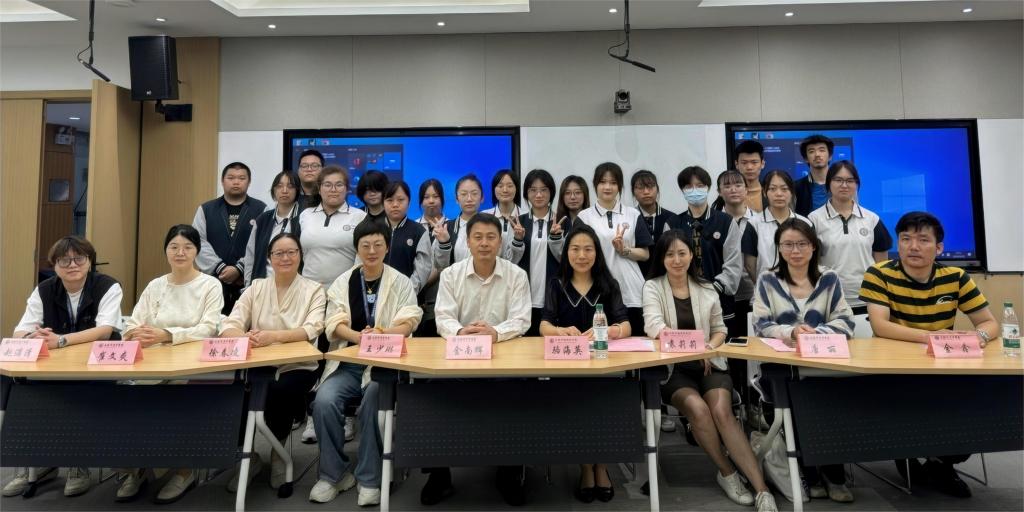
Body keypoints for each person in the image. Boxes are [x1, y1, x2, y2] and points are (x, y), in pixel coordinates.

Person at [861, 211, 999, 498]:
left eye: (923, 240)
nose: (913, 246)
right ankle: (909, 453)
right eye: (905, 239)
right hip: (894, 368)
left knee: (976, 408)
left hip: (943, 367)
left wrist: (978, 337)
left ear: (939, 248)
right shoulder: (879, 274)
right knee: (911, 407)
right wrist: (932, 337)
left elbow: (989, 323)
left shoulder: (955, 277)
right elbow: (880, 326)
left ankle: (940, 462)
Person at [644, 231, 778, 512]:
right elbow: (655, 327)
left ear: (691, 256)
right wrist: (696, 350)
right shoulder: (652, 287)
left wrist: (708, 348)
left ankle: (762, 490)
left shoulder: (706, 287)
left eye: (682, 253)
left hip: (710, 364)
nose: (677, 260)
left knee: (722, 412)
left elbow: (720, 330)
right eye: (670, 254)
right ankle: (727, 473)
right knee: (699, 410)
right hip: (673, 371)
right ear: (662, 259)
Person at [309, 220, 422, 506]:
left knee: (374, 399)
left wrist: (383, 333)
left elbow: (410, 320)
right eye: (365, 245)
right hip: (348, 363)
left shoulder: (400, 281)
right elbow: (333, 322)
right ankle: (333, 474)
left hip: (384, 364)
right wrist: (360, 337)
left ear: (387, 247)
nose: (372, 251)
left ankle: (370, 477)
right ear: (357, 248)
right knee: (324, 401)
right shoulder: (343, 281)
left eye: (378, 245)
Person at [3, 236, 124, 499]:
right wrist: (32, 336)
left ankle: (77, 463)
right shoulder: (44, 289)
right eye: (64, 260)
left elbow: (105, 330)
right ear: (54, 265)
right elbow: (19, 331)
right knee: (25, 392)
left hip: (97, 367)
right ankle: (36, 463)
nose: (72, 265)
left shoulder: (108, 286)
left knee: (79, 397)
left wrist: (61, 340)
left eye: (79, 258)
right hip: (54, 367)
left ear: (89, 261)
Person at [428, 213, 531, 507]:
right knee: (433, 397)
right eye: (478, 237)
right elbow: (443, 317)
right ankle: (439, 474)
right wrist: (462, 332)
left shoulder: (516, 275)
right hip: (461, 358)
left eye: (490, 237)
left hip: (504, 359)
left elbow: (522, 319)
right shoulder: (451, 274)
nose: (484, 243)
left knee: (517, 396)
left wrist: (495, 333)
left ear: (500, 242)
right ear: (468, 241)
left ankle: (510, 471)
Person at [116, 225, 223, 503]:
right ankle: (139, 468)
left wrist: (166, 335)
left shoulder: (210, 285)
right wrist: (134, 333)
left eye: (187, 247)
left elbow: (209, 328)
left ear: (197, 251)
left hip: (192, 364)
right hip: (151, 362)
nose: (180, 252)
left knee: (175, 405)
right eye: (174, 247)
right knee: (127, 401)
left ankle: (185, 470)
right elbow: (133, 321)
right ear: (166, 251)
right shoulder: (156, 285)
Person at [751, 218, 855, 503]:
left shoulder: (829, 279)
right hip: (782, 365)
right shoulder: (768, 280)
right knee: (795, 401)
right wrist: (792, 332)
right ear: (779, 248)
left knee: (830, 401)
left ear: (813, 246)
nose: (795, 251)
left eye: (801, 244)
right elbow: (761, 324)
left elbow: (846, 321)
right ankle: (810, 472)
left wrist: (815, 334)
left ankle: (833, 473)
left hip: (824, 363)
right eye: (788, 245)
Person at [220, 233, 327, 493]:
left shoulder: (314, 289)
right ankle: (247, 457)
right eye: (279, 253)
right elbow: (230, 324)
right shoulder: (256, 288)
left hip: (298, 364)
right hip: (258, 363)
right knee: (233, 391)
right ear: (269, 258)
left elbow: (311, 328)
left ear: (300, 255)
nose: (285, 258)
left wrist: (273, 337)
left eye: (291, 252)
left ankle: (279, 452)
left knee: (279, 391)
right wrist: (243, 337)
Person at [539, 224, 630, 504]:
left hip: (603, 364)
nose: (581, 255)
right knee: (576, 409)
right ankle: (585, 467)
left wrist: (612, 330)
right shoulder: (556, 284)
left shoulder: (608, 284)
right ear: (566, 253)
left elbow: (626, 325)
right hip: (568, 365)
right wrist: (560, 331)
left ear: (597, 253)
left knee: (604, 408)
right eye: (575, 249)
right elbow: (543, 325)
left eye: (588, 249)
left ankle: (601, 465)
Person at [561, 162, 652, 332]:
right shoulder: (584, 217)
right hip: (599, 292)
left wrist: (625, 250)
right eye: (603, 182)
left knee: (633, 342)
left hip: (632, 290)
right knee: (599, 341)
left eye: (613, 182)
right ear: (595, 185)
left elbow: (645, 254)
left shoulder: (633, 214)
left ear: (620, 186)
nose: (608, 187)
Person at [807, 161, 892, 314]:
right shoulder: (814, 219)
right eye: (838, 180)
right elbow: (809, 263)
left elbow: (882, 264)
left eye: (850, 181)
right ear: (829, 183)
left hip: (868, 299)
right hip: (828, 300)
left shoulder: (872, 219)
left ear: (856, 184)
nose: (844, 185)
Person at [193, 161, 267, 314]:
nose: (236, 182)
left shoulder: (261, 209)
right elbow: (197, 241)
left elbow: (263, 244)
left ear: (249, 182)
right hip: (213, 282)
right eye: (231, 178)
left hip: (247, 284)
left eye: (241, 178)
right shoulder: (206, 209)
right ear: (222, 181)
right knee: (212, 324)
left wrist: (239, 268)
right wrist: (220, 267)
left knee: (245, 325)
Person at [431, 174, 521, 270]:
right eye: (464, 194)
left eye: (474, 194)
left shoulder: (494, 225)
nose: (469, 199)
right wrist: (444, 243)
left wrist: (518, 240)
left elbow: (507, 261)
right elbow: (440, 266)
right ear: (457, 199)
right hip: (456, 279)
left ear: (482, 198)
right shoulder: (446, 228)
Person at [299, 165, 368, 288]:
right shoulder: (305, 215)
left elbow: (363, 257)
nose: (333, 189)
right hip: (308, 289)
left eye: (339, 185)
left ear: (347, 189)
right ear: (319, 189)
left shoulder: (360, 217)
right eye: (327, 185)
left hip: (344, 290)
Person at [742, 170, 811, 283]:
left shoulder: (805, 223)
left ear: (792, 192)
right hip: (766, 288)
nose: (779, 194)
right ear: (764, 192)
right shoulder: (754, 224)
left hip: (799, 288)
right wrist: (764, 286)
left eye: (784, 189)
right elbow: (750, 264)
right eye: (773, 189)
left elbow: (811, 258)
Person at [513, 169, 560, 335]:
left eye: (544, 190)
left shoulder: (562, 221)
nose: (538, 195)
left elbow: (567, 260)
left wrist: (556, 238)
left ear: (551, 192)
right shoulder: (519, 222)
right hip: (524, 296)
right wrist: (517, 239)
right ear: (526, 193)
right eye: (533, 190)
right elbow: (511, 261)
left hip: (553, 295)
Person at [243, 170, 302, 285]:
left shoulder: (303, 218)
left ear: (297, 190)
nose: (284, 190)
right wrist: (248, 285)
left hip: (294, 286)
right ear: (274, 190)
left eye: (290, 186)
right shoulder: (263, 219)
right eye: (279, 186)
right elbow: (250, 256)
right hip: (263, 285)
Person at [381, 180, 432, 293]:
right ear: (383, 203)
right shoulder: (373, 229)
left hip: (407, 296)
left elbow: (423, 269)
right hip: (376, 295)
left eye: (400, 200)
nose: (395, 204)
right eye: (390, 200)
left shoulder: (419, 232)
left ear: (408, 202)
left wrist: (406, 293)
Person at [414, 179, 446, 337]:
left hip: (443, 299)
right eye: (426, 197)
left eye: (436, 196)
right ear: (421, 201)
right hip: (417, 299)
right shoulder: (413, 228)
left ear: (442, 199)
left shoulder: (451, 226)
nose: (431, 201)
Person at [631, 170, 677, 278]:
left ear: (657, 189)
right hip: (636, 278)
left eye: (650, 186)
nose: (646, 192)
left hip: (666, 278)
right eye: (640, 187)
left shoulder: (672, 218)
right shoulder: (629, 218)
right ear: (633, 192)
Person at [793, 135, 834, 216]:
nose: (817, 154)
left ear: (830, 156)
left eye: (822, 150)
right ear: (806, 158)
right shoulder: (796, 187)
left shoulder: (843, 184)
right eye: (811, 151)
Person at [481, 169, 523, 248]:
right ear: (494, 189)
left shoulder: (526, 216)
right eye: (500, 186)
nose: (505, 190)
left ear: (516, 189)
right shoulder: (484, 216)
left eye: (510, 186)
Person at [734, 140, 766, 213]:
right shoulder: (730, 193)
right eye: (744, 163)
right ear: (737, 164)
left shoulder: (769, 191)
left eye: (754, 162)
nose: (749, 167)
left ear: (762, 164)